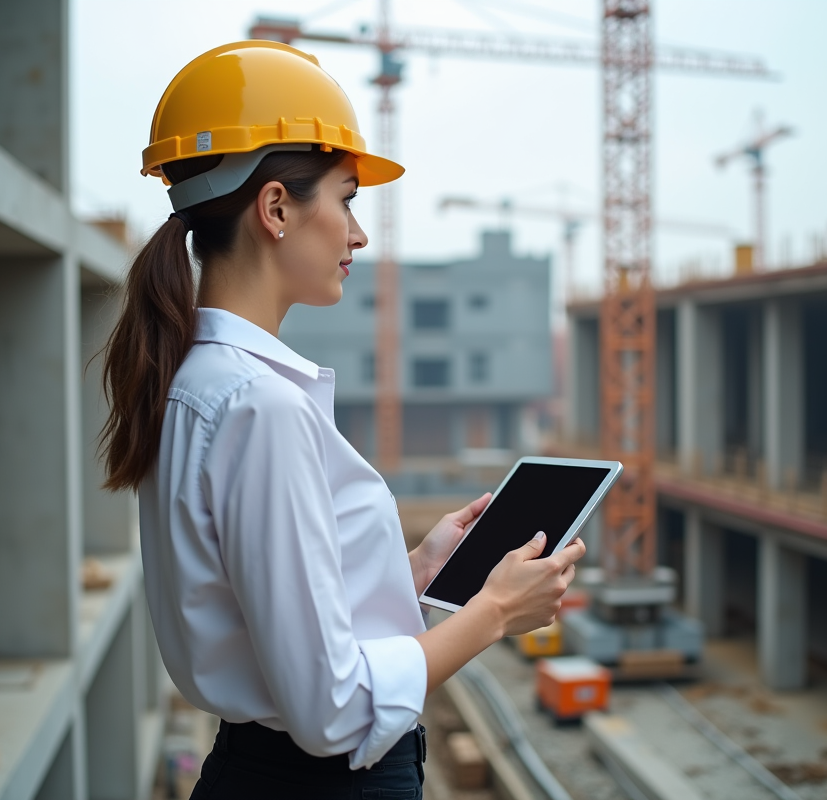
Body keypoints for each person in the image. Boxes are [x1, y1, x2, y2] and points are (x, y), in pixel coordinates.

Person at [100, 41, 586, 799]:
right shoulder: (259, 407)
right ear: (275, 209)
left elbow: (268, 617)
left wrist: (415, 570)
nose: (359, 233)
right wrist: (492, 611)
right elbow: (331, 708)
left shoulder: (200, 382)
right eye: (347, 197)